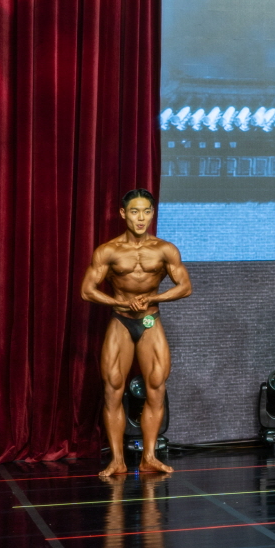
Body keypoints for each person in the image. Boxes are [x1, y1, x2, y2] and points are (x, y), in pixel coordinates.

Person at [80, 189, 193, 477]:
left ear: (152, 213)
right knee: (113, 389)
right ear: (123, 214)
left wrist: (154, 298)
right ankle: (117, 460)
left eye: (146, 211)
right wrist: (118, 303)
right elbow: (87, 290)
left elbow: (185, 287)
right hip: (120, 321)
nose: (140, 218)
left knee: (156, 387)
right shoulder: (108, 251)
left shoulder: (165, 250)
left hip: (150, 321)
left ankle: (149, 458)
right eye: (134, 211)